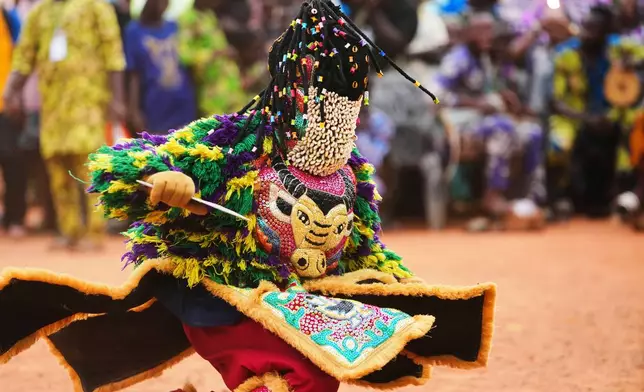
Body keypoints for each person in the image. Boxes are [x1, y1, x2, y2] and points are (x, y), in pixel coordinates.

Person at [0, 2, 495, 392]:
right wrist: (166, 182)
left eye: (348, 102)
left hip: (296, 302)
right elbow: (123, 170)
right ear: (293, 95)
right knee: (297, 376)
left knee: (316, 374)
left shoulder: (352, 176)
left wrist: (393, 283)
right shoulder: (240, 140)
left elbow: (365, 248)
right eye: (325, 101)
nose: (336, 116)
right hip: (223, 300)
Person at [3, 0, 126, 250]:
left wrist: (117, 99)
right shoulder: (40, 12)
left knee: (90, 168)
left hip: (88, 103)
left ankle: (94, 232)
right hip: (53, 107)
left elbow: (114, 56)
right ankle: (69, 230)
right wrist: (10, 91)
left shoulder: (95, 7)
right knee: (58, 170)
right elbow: (24, 55)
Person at [435, 12, 545, 230]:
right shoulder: (458, 59)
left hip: (486, 121)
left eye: (489, 30)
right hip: (460, 125)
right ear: (468, 33)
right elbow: (434, 95)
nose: (487, 35)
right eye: (481, 30)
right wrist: (476, 104)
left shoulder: (485, 59)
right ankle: (492, 196)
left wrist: (504, 97)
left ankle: (526, 199)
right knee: (502, 128)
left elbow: (491, 93)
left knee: (532, 132)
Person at [550, 5, 623, 218]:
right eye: (585, 27)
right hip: (572, 118)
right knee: (559, 143)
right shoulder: (565, 54)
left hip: (613, 116)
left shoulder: (619, 51)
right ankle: (558, 198)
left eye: (594, 29)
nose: (586, 33)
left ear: (606, 32)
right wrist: (587, 119)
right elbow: (556, 101)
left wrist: (631, 64)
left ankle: (624, 198)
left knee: (633, 136)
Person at [125, 0, 197, 134]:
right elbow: (133, 74)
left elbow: (188, 64)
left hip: (183, 103)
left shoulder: (175, 26)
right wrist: (134, 110)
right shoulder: (134, 31)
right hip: (155, 106)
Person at [177, 0, 247, 117]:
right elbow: (185, 56)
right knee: (218, 132)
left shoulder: (209, 15)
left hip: (229, 88)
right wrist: (215, 54)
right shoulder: (187, 19)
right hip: (212, 94)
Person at [0, 3, 26, 238]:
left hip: (4, 106)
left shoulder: (8, 18)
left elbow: (22, 57)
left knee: (13, 163)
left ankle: (15, 218)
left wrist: (16, 96)